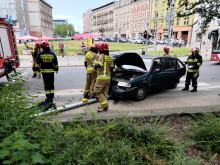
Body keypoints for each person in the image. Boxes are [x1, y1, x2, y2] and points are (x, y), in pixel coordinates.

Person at [37, 41, 59, 108]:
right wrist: (56, 69)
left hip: (44, 72)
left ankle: (48, 98)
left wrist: (38, 70)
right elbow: (56, 64)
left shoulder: (40, 54)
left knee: (46, 85)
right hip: (51, 72)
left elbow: (38, 64)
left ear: (43, 48)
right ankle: (51, 97)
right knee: (51, 85)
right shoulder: (53, 54)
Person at [93, 42, 113, 112]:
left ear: (101, 49)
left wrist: (95, 62)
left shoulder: (101, 56)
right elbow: (113, 68)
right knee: (104, 93)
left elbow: (99, 64)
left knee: (97, 92)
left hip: (101, 78)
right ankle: (103, 107)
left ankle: (105, 105)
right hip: (108, 78)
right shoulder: (110, 57)